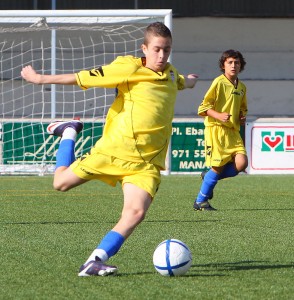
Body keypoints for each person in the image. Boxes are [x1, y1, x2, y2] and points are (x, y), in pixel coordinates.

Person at [21, 22, 198, 276]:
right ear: (144, 48)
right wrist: (41, 79)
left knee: (135, 212)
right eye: (157, 49)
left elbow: (180, 82)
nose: (161, 56)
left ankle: (95, 260)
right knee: (60, 183)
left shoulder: (170, 74)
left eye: (167, 50)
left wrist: (190, 81)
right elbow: (84, 77)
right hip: (114, 151)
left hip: (146, 164)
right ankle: (69, 132)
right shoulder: (128, 68)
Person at [193, 49, 248, 211]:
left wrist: (241, 117)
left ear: (241, 66)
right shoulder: (218, 82)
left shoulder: (242, 87)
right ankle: (200, 201)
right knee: (217, 167)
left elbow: (242, 109)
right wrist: (218, 115)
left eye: (236, 62)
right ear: (223, 65)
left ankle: (208, 177)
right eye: (229, 62)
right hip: (216, 130)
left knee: (241, 163)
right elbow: (203, 108)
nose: (233, 65)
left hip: (232, 131)